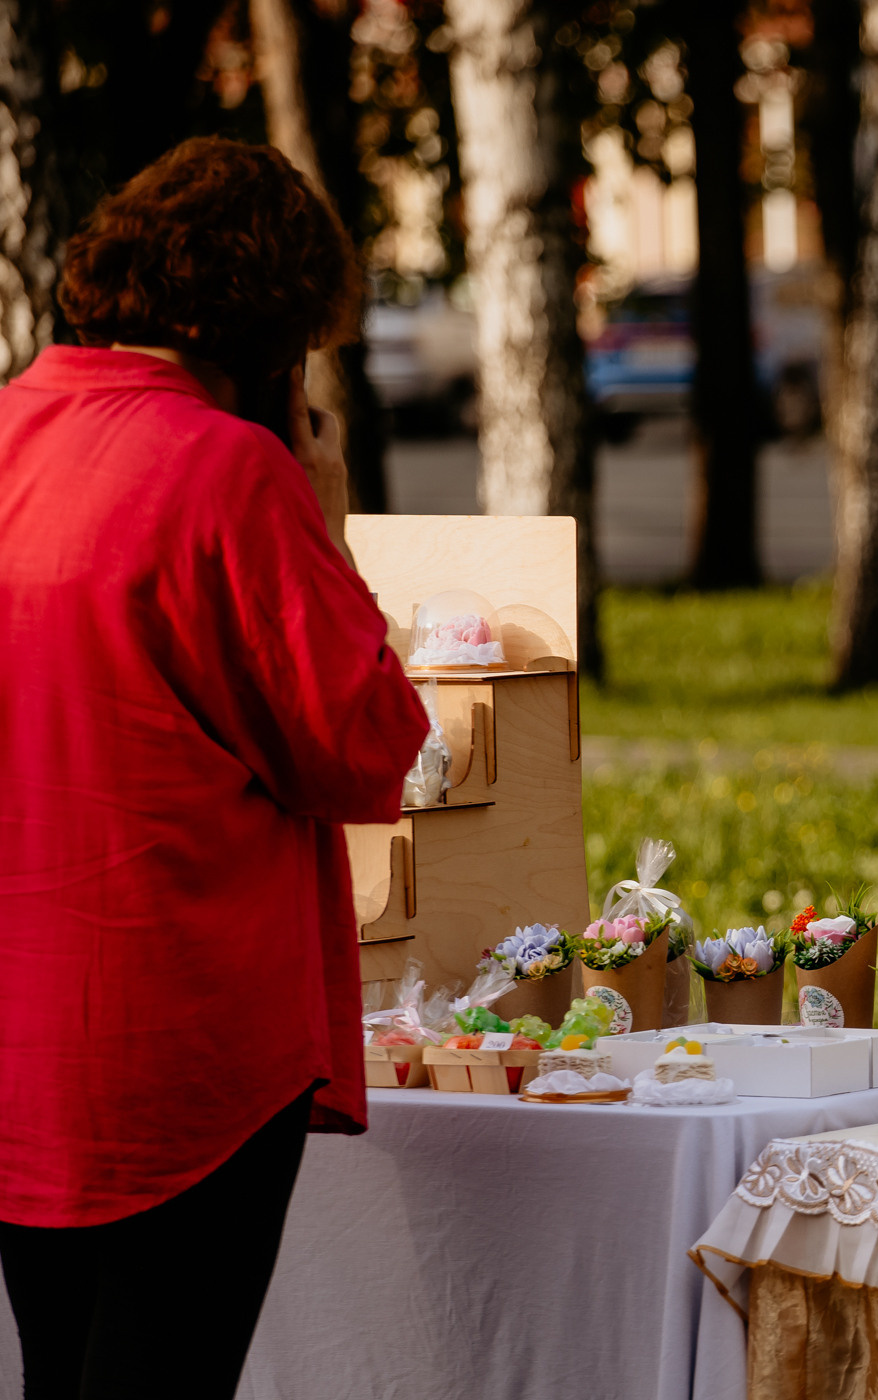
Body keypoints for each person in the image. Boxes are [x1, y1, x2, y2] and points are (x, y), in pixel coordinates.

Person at [0, 139, 429, 1397]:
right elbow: (359, 747)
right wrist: (330, 518)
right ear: (272, 328)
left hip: (22, 1042)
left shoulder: (11, 431)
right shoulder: (229, 470)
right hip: (177, 1055)